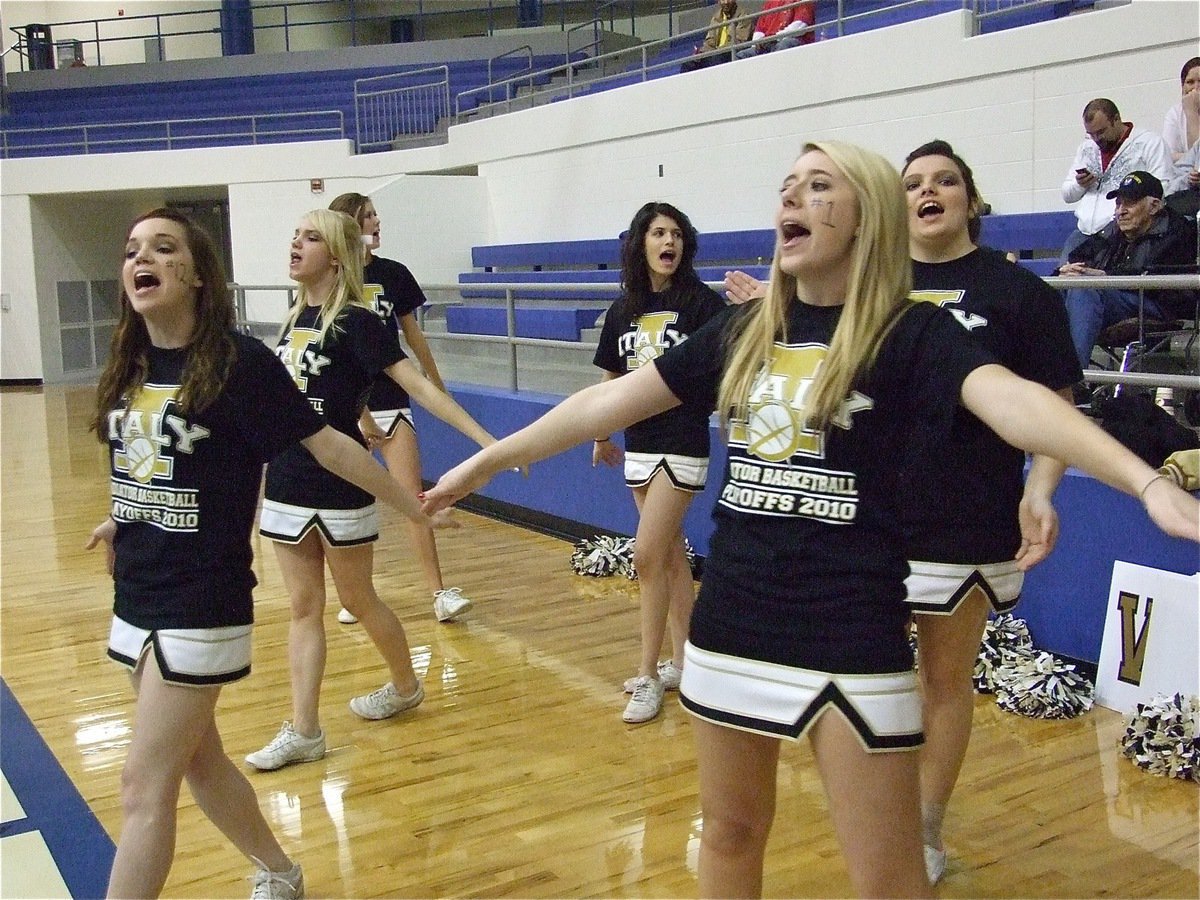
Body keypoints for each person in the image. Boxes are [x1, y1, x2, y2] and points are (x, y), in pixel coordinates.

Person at [421, 141, 1200, 897]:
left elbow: (1017, 402)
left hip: (849, 628)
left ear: (866, 218)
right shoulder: (744, 329)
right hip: (733, 621)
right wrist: (489, 460)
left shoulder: (912, 333)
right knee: (728, 836)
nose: (793, 195)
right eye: (789, 184)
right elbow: (609, 400)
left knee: (891, 877)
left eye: (821, 185)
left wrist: (1143, 482)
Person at [86, 208, 454, 899]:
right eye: (133, 250)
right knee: (201, 762)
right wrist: (119, 518)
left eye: (163, 248)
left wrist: (413, 504)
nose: (143, 260)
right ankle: (282, 872)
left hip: (199, 599)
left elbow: (330, 444)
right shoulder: (132, 362)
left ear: (197, 275)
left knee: (143, 785)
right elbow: (152, 462)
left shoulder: (238, 361)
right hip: (135, 590)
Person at [246, 209, 497, 772]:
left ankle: (406, 685)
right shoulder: (293, 317)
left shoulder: (358, 321)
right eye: (295, 235)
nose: (295, 243)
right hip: (285, 476)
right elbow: (322, 386)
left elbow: (417, 388)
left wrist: (486, 442)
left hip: (341, 481)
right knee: (303, 607)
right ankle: (304, 730)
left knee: (358, 599)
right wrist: (360, 416)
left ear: (336, 256)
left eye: (310, 237)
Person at [899, 139, 1081, 884]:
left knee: (944, 678)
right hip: (868, 514)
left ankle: (924, 826)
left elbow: (1056, 407)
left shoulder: (1020, 295)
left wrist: (1040, 489)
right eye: (913, 183)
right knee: (864, 671)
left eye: (945, 181)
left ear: (971, 200)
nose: (929, 191)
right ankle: (875, 805)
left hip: (968, 514)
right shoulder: (868, 285)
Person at [592, 202, 726, 724]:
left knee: (647, 555)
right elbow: (611, 377)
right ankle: (688, 663)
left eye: (676, 234)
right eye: (658, 233)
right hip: (638, 442)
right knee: (669, 557)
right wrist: (601, 433)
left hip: (682, 441)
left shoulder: (702, 304)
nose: (668, 242)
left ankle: (647, 673)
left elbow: (725, 364)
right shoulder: (623, 308)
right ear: (640, 243)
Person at [326, 192, 470, 627]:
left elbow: (412, 335)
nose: (376, 221)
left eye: (375, 214)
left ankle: (439, 593)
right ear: (349, 224)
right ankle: (355, 594)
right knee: (349, 505)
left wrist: (435, 381)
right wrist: (359, 415)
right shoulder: (332, 277)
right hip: (346, 406)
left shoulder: (392, 273)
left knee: (413, 497)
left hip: (392, 398)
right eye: (368, 215)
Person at [1057, 170, 1198, 369]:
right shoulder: (1113, 228)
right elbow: (1080, 255)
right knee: (1051, 293)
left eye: (1129, 204)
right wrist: (1066, 270)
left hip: (1154, 303)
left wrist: (1105, 276)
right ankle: (1035, 376)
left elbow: (1156, 276)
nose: (1120, 211)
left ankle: (1072, 378)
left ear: (1154, 206)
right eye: (1118, 204)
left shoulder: (1176, 231)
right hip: (1112, 298)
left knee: (1084, 290)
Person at [1060, 98, 1172, 259]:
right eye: (1091, 134)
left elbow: (1163, 189)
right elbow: (1067, 195)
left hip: (1123, 234)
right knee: (1062, 274)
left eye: (1101, 132)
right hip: (1084, 232)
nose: (1096, 139)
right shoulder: (1086, 148)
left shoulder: (1149, 143)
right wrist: (1080, 184)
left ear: (1116, 119)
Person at [680, 0, 754, 73]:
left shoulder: (743, 15)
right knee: (689, 63)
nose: (726, 2)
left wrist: (718, 51)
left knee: (717, 58)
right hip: (715, 54)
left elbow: (739, 41)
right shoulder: (716, 18)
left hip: (731, 53)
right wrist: (701, 52)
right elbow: (710, 42)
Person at [733, 0, 814, 60]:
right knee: (741, 55)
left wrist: (774, 38)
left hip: (794, 40)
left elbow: (801, 25)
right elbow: (760, 29)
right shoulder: (769, 2)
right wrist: (758, 43)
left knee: (784, 45)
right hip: (768, 44)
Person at [1162, 57, 1200, 162]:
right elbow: (1168, 155)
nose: (1196, 88)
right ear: (1183, 87)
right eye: (1190, 82)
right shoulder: (1175, 113)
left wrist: (1192, 112)